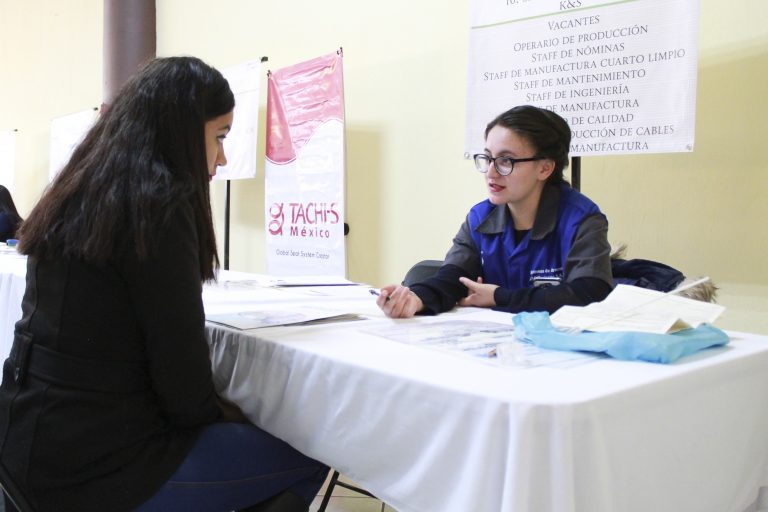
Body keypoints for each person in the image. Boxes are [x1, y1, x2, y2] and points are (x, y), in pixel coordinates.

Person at [0, 57, 327, 512]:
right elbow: (184, 385)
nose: (222, 158)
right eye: (219, 137)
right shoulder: (159, 209)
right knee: (311, 454)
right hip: (94, 469)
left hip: (23, 442)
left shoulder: (75, 193)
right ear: (181, 131)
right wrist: (233, 411)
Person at [377, 105, 613, 318]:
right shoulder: (480, 218)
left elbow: (589, 295)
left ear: (545, 168)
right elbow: (453, 277)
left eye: (506, 160)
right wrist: (415, 298)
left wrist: (500, 297)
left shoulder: (582, 220)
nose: (490, 172)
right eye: (488, 158)